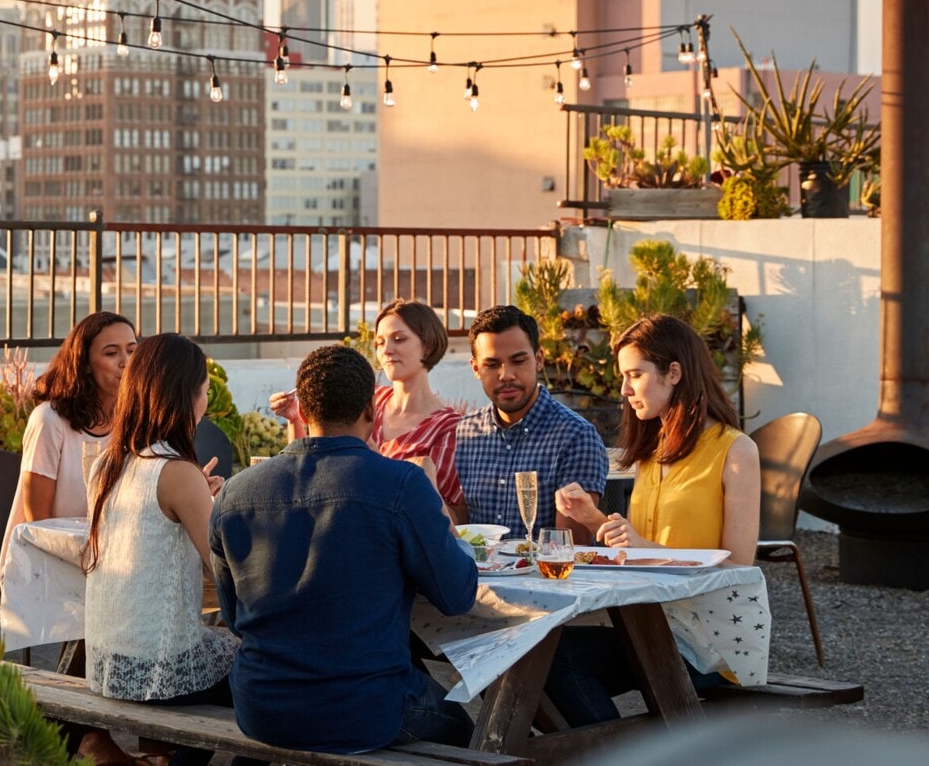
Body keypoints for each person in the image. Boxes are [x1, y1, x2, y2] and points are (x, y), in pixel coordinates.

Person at [215, 344, 480, 766]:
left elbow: (232, 614)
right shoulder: (401, 484)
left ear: (304, 410)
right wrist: (447, 535)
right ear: (370, 410)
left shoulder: (236, 492)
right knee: (463, 728)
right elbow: (456, 595)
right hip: (365, 709)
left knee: (314, 694)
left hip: (261, 705)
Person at [82, 333, 288, 766]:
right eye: (202, 390)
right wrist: (213, 505)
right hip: (157, 671)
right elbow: (236, 574)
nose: (206, 402)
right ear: (185, 395)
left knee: (232, 651)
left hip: (108, 664)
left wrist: (203, 498)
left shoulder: (110, 462)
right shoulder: (177, 472)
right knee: (283, 671)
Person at [547, 313, 763, 726]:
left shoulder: (736, 451)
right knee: (537, 651)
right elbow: (640, 552)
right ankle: (615, 760)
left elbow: (739, 568)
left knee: (559, 660)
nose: (625, 390)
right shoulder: (653, 452)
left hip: (707, 639)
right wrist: (593, 521)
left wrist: (643, 547)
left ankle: (619, 764)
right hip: (649, 626)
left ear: (674, 372)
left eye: (635, 375)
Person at [4, 310, 154, 766]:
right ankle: (89, 732)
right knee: (118, 597)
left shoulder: (137, 415)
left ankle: (156, 729)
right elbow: (36, 518)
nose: (126, 361)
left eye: (132, 350)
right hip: (47, 558)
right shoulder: (51, 419)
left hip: (114, 554)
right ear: (84, 363)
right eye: (112, 353)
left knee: (165, 591)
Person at [270, 299, 467, 521]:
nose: (387, 350)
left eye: (399, 339)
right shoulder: (369, 397)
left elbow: (445, 515)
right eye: (380, 343)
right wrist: (295, 419)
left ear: (428, 345)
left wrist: (375, 458)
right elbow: (309, 466)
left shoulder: (449, 427)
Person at [452, 305, 609, 534]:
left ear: (539, 360)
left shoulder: (576, 437)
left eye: (518, 361)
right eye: (492, 364)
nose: (506, 375)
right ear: (476, 368)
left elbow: (571, 548)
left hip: (543, 570)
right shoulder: (466, 432)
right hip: (477, 569)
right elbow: (461, 525)